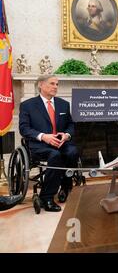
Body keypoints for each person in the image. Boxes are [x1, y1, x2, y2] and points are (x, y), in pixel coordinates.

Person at [19, 75, 78, 212]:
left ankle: (65, 187)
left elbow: (70, 125)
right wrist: (43, 136)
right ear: (40, 85)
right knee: (55, 155)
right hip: (39, 145)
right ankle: (47, 197)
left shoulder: (63, 104)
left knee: (73, 152)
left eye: (57, 84)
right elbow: (24, 128)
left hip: (60, 142)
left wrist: (66, 135)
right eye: (52, 83)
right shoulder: (28, 105)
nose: (55, 87)